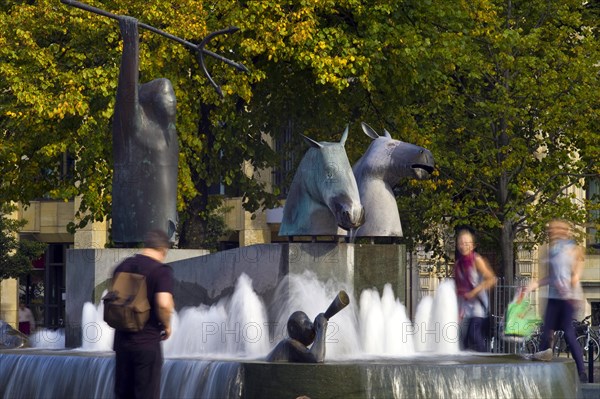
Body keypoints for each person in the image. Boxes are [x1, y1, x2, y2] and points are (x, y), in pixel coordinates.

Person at [111, 16, 179, 245]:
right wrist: (131, 43)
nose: (172, 102)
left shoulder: (169, 132)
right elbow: (127, 91)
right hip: (137, 224)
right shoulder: (135, 126)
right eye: (167, 95)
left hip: (164, 224)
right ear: (151, 102)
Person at [112, 229, 175, 399]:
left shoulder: (122, 266)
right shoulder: (161, 271)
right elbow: (163, 304)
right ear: (163, 250)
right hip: (147, 344)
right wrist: (167, 325)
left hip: (121, 343)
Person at [525, 219, 587, 382]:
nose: (553, 232)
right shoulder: (551, 251)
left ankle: (581, 371)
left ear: (566, 231)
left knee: (567, 332)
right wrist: (534, 285)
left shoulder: (574, 249)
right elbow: (550, 277)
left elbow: (576, 274)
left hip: (568, 298)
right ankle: (540, 372)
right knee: (546, 333)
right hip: (553, 298)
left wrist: (569, 287)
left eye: (558, 229)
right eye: (552, 229)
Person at [454, 229, 496, 352]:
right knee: (464, 342)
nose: (464, 246)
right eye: (461, 243)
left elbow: (492, 279)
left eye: (467, 243)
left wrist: (474, 292)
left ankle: (487, 367)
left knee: (474, 336)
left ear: (472, 246)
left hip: (478, 307)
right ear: (457, 245)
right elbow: (458, 289)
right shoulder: (458, 265)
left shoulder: (476, 260)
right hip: (465, 308)